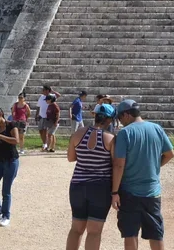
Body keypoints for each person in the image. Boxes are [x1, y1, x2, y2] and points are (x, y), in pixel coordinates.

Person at [111, 99, 174, 250]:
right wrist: (153, 166)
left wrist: (114, 192)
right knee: (156, 233)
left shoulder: (125, 133)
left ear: (126, 115)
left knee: (130, 233)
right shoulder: (156, 128)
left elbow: (119, 165)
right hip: (152, 192)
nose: (120, 122)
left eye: (119, 118)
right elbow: (170, 154)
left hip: (129, 191)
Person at [67, 103, 117, 250]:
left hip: (77, 185)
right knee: (94, 231)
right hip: (100, 187)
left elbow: (71, 158)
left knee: (76, 228)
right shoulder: (110, 138)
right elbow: (116, 165)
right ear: (109, 120)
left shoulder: (78, 133)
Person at [0, 107, 21, 227]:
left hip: (11, 160)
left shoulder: (11, 125)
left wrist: (0, 137)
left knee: (6, 190)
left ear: (0, 114)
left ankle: (6, 216)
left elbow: (16, 140)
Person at [38, 85, 60, 151]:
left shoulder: (54, 105)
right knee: (50, 134)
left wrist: (56, 122)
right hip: (48, 120)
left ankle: (48, 147)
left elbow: (58, 113)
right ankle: (50, 147)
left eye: (47, 100)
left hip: (53, 121)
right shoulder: (49, 105)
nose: (46, 101)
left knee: (50, 134)